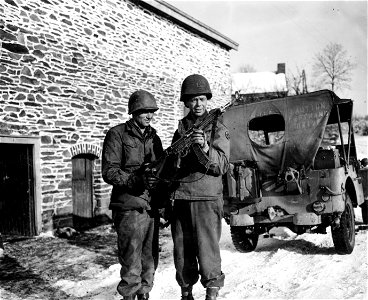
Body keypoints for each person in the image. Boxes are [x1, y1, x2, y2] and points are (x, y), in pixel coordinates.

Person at [169, 74, 230, 300]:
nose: (198, 104)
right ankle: (186, 293)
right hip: (182, 197)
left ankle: (211, 293)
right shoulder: (180, 130)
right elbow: (172, 164)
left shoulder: (217, 128)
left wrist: (205, 147)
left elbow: (222, 165)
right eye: (193, 100)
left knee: (207, 250)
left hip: (207, 198)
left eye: (202, 99)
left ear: (208, 101)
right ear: (186, 102)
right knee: (183, 251)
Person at [102, 89, 164, 300]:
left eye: (152, 112)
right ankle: (129, 296)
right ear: (134, 112)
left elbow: (162, 170)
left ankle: (144, 295)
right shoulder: (117, 134)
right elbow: (109, 171)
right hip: (128, 208)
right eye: (144, 111)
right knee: (131, 261)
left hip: (150, 207)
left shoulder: (154, 137)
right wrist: (135, 179)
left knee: (149, 260)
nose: (149, 115)